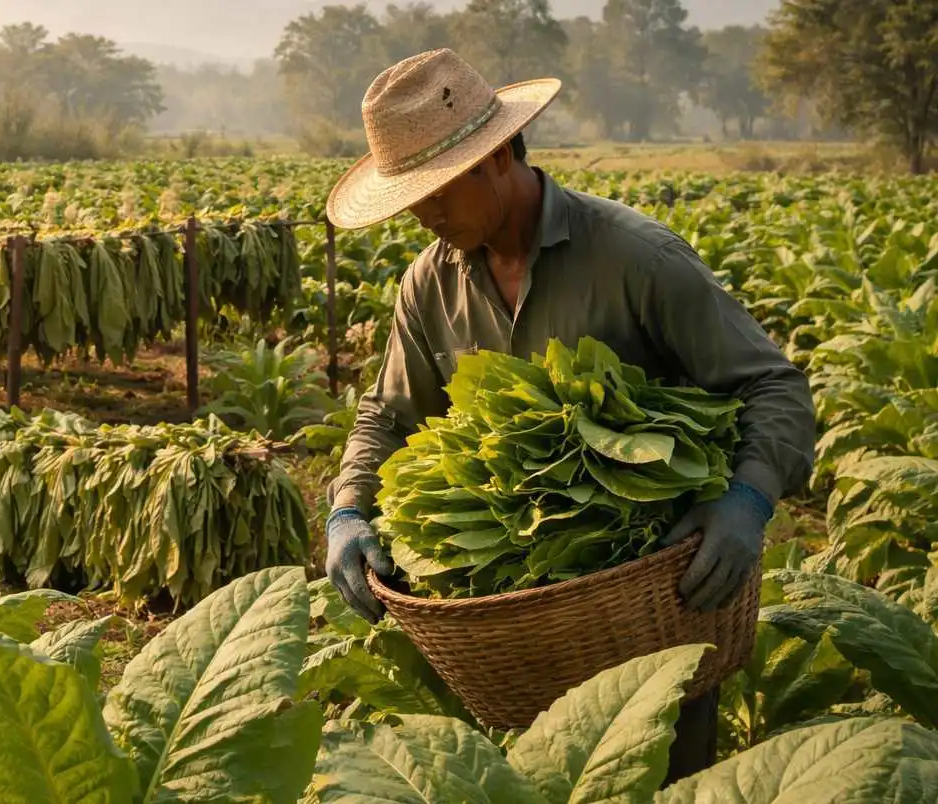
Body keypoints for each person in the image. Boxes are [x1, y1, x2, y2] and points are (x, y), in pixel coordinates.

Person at [321, 50, 816, 782]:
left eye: (434, 193)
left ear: (493, 158)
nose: (422, 214)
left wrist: (746, 496)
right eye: (410, 197)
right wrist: (348, 507)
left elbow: (773, 386)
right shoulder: (429, 283)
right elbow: (387, 416)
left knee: (664, 783)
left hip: (653, 605)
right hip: (516, 625)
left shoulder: (635, 257)